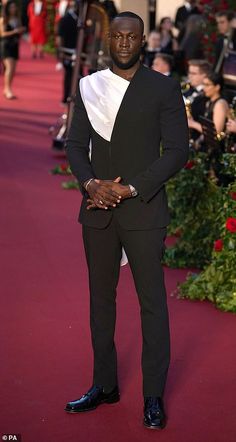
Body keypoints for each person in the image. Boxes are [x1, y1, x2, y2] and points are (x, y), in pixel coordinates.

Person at [65, 11, 189, 430]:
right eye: (116, 35)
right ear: (108, 38)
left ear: (142, 41)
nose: (123, 43)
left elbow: (176, 151)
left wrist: (131, 188)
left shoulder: (163, 88)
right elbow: (76, 145)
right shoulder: (89, 86)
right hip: (97, 210)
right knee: (101, 303)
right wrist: (89, 184)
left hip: (143, 210)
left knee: (152, 305)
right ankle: (104, 385)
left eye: (131, 36)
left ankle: (152, 395)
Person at [188, 71, 229, 136]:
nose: (204, 88)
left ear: (217, 87)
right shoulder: (209, 101)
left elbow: (216, 132)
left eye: (207, 85)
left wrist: (193, 124)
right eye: (203, 84)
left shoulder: (220, 104)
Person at [0, 0, 25, 99]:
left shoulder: (17, 19)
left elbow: (20, 31)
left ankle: (7, 88)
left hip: (14, 45)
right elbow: (2, 34)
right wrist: (15, 31)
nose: (13, 9)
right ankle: (8, 89)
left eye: (14, 7)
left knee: (13, 69)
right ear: (7, 9)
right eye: (11, 7)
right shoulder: (3, 19)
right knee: (9, 68)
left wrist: (21, 30)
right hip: (5, 45)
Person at [57, 0, 78, 104]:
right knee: (69, 75)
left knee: (78, 74)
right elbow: (60, 37)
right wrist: (61, 51)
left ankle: (75, 97)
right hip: (68, 51)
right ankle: (66, 97)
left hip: (79, 53)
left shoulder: (80, 19)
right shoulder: (66, 19)